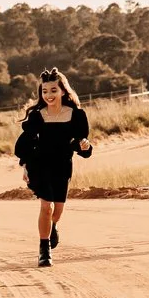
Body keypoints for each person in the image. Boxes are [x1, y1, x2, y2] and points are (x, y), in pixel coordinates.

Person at [13, 67, 92, 266]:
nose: (48, 95)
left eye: (53, 90)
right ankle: (44, 250)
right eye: (44, 91)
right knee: (46, 207)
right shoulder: (37, 116)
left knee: (56, 212)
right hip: (40, 165)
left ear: (63, 91)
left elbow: (81, 143)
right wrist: (25, 165)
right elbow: (25, 144)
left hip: (63, 165)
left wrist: (85, 145)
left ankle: (53, 226)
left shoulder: (76, 115)